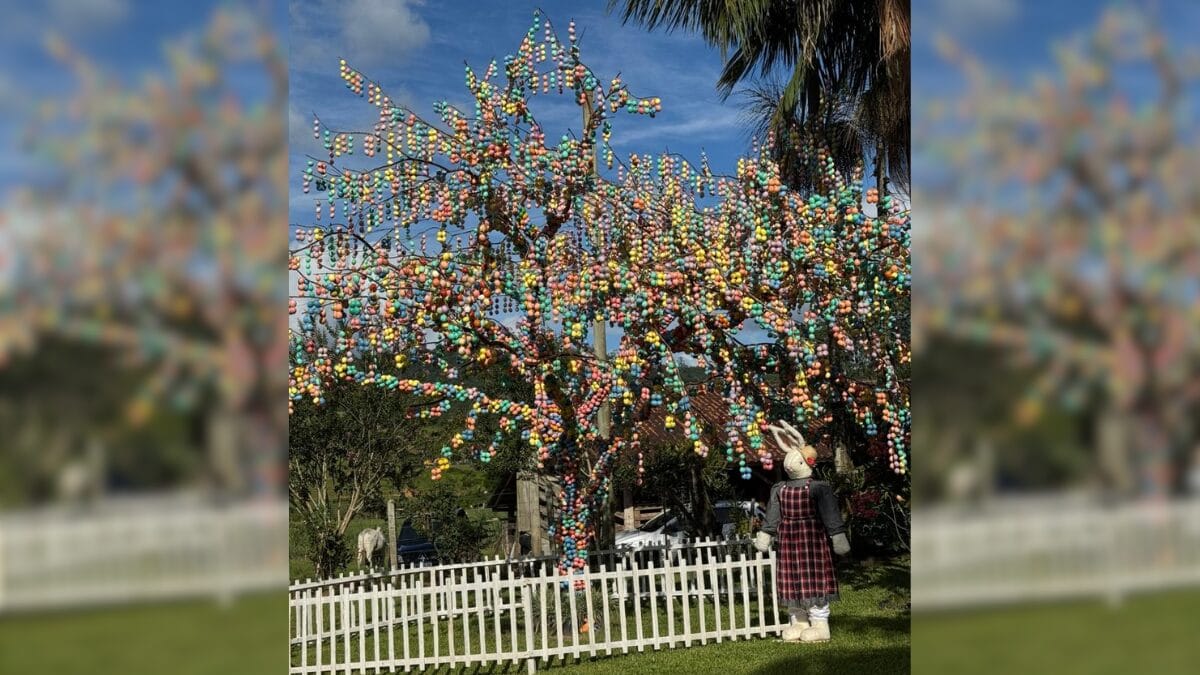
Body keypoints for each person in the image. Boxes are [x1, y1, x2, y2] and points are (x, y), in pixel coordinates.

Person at [754, 421, 851, 642]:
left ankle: (819, 623)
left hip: (812, 540)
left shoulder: (817, 488)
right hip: (788, 540)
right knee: (791, 579)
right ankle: (798, 621)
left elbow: (830, 514)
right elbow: (773, 514)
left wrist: (837, 536)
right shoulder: (780, 489)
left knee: (814, 579)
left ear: (806, 462)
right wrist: (766, 533)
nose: (789, 465)